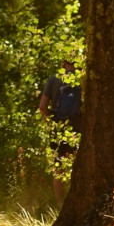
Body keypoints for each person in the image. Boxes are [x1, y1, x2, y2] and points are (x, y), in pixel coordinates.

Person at [38, 58, 81, 204]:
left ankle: (60, 204)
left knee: (58, 168)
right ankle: (78, 201)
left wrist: (52, 122)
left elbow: (42, 107)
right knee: (79, 165)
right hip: (78, 126)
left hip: (58, 126)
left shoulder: (54, 79)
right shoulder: (84, 78)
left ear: (64, 62)